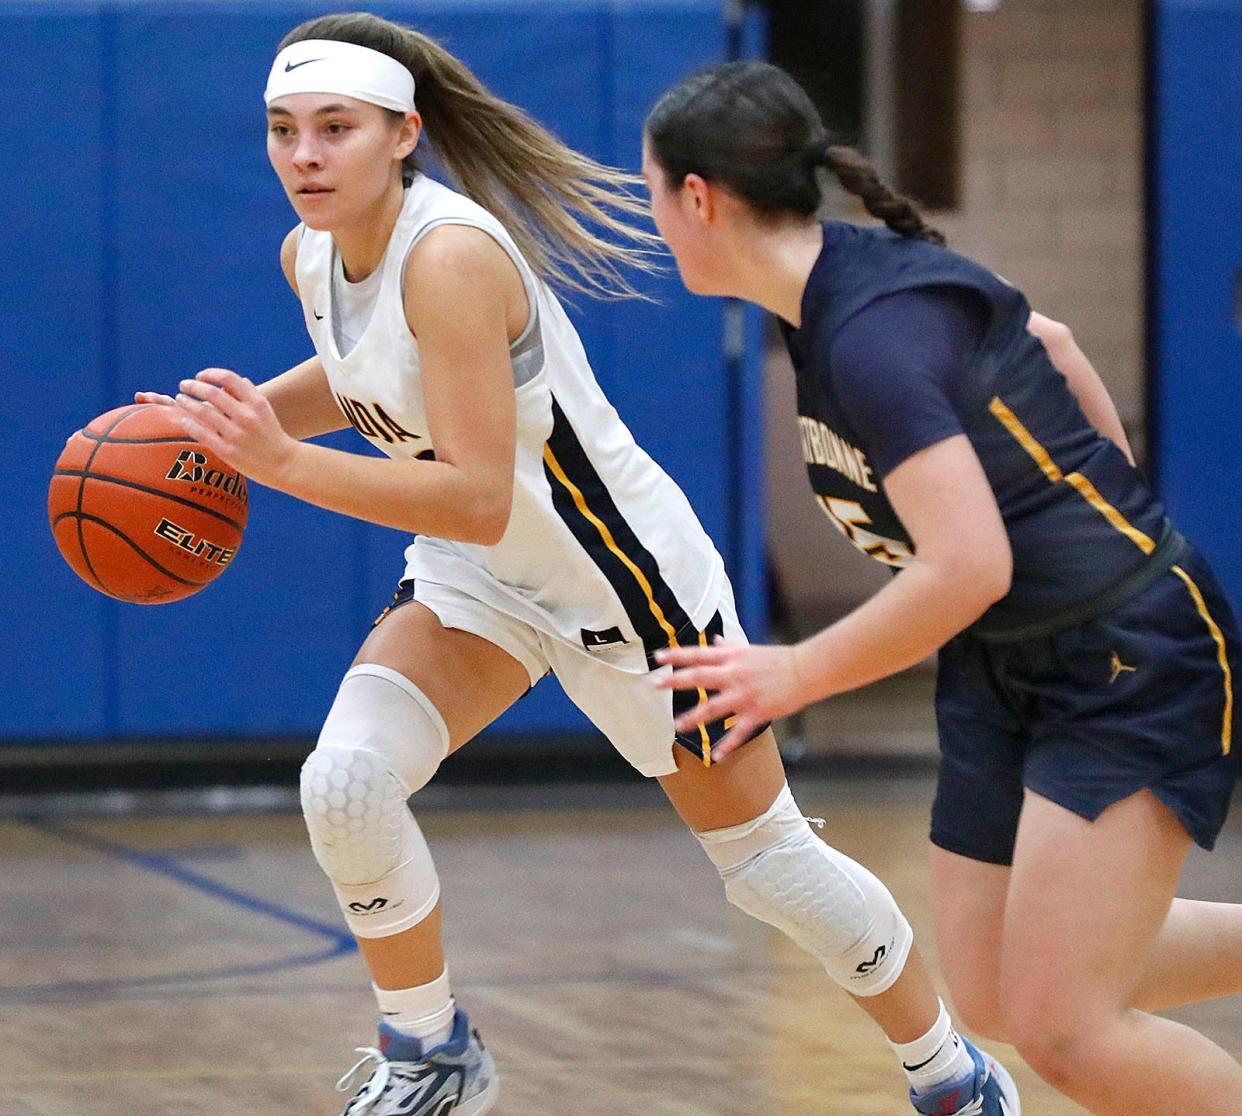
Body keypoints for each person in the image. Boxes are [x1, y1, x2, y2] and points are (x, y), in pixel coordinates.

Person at [146, 16, 1017, 1115]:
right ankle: (432, 1052)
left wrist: (277, 467)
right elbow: (366, 372)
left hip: (625, 584)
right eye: (283, 131)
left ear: (404, 134)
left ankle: (949, 1075)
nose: (305, 155)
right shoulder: (309, 252)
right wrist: (223, 429)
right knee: (347, 781)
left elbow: (474, 489)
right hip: (481, 579)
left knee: (770, 870)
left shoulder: (452, 254)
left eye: (335, 129)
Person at [644, 59, 1242, 1116]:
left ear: (699, 198)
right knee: (997, 991)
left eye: (652, 194)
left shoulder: (870, 335)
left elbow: (972, 564)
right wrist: (1102, 489)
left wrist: (797, 670)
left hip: (1122, 655)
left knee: (1067, 1028)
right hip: (1008, 658)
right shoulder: (831, 291)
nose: (654, 219)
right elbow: (1044, 340)